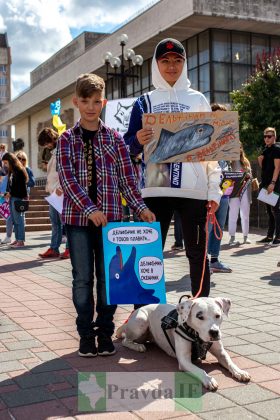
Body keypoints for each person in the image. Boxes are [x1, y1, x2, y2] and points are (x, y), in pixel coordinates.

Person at [56, 73, 155, 358]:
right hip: (77, 222)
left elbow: (127, 181)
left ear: (104, 103)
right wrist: (90, 209)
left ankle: (105, 332)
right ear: (76, 101)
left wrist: (141, 208)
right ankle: (86, 334)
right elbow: (68, 180)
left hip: (112, 221)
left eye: (96, 101)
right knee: (82, 279)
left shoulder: (114, 139)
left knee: (110, 279)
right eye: (85, 101)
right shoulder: (66, 140)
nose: (90, 106)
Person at [124, 38, 221, 298]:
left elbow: (212, 153)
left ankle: (201, 320)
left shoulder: (198, 99)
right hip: (155, 190)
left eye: (177, 61)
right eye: (165, 61)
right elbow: (125, 148)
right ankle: (144, 320)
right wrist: (136, 141)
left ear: (184, 64)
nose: (171, 66)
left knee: (198, 256)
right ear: (156, 65)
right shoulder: (144, 102)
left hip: (194, 192)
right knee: (147, 257)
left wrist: (214, 192)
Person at [37, 128, 69, 259]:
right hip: (53, 192)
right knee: (55, 223)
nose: (47, 146)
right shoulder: (54, 152)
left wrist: (62, 186)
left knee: (66, 223)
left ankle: (69, 249)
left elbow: (65, 169)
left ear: (51, 138)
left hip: (60, 191)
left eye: (47, 143)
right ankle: (54, 248)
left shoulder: (63, 147)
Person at [208, 103, 232, 273]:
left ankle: (214, 260)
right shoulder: (205, 138)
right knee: (207, 227)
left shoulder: (228, 140)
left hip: (225, 191)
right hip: (209, 191)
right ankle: (203, 261)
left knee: (218, 227)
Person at [257, 127, 280, 246]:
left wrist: (273, 183)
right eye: (265, 136)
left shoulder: (277, 149)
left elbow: (277, 168)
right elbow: (264, 168)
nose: (267, 138)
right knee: (269, 211)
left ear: (274, 137)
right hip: (266, 183)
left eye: (269, 136)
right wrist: (260, 160)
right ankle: (270, 235)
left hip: (274, 184)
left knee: (276, 211)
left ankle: (278, 237)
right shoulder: (266, 149)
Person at [1, 152, 28, 248]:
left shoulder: (19, 170)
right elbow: (11, 185)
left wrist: (11, 193)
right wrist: (8, 193)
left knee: (18, 220)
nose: (5, 165)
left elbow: (20, 186)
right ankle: (17, 239)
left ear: (10, 161)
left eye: (6, 162)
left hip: (17, 198)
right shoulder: (12, 171)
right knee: (14, 219)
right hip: (13, 197)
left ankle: (20, 240)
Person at [228, 143, 252, 246]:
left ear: (241, 148)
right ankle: (232, 237)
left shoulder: (246, 161)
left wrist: (248, 175)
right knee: (233, 214)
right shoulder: (229, 161)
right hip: (233, 191)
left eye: (239, 147)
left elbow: (250, 177)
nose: (238, 149)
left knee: (245, 215)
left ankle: (245, 237)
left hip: (245, 190)